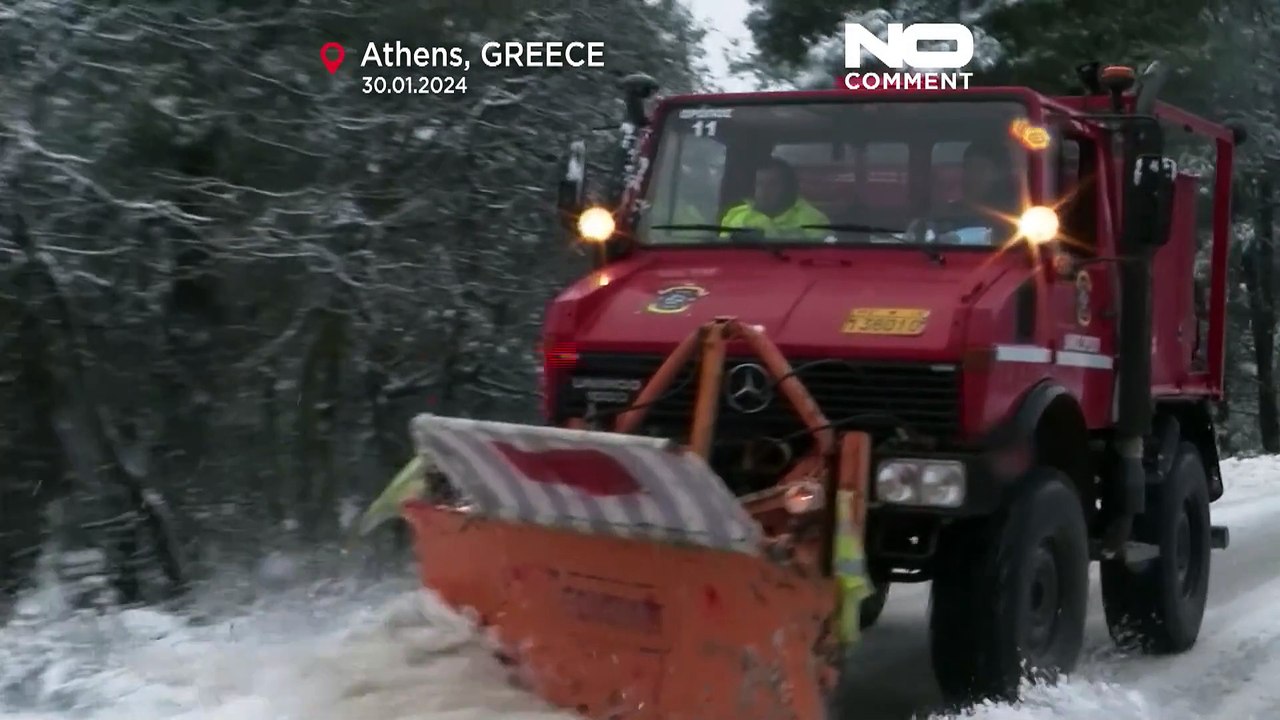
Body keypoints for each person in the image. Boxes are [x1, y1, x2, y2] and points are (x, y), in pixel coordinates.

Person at [719, 157, 829, 237]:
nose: (764, 190)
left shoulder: (813, 219)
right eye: (759, 184)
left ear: (787, 188)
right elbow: (723, 253)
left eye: (772, 184)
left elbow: (823, 255)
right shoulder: (736, 215)